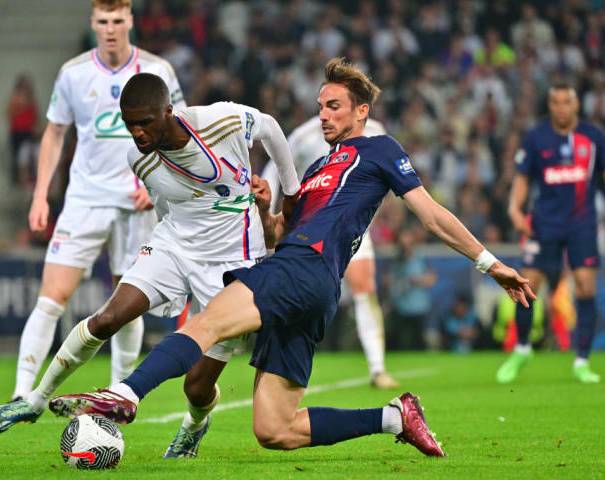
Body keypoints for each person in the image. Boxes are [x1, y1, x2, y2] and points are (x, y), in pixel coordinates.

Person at [44, 59, 535, 457]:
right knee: (274, 429)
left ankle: (125, 395)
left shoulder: (380, 150)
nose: (323, 115)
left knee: (209, 321)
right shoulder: (319, 165)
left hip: (307, 269)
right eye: (321, 106)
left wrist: (489, 262)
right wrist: (263, 205)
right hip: (305, 278)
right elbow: (281, 233)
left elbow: (432, 217)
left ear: (361, 111)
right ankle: (395, 417)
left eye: (335, 107)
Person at [0, 72, 301, 460]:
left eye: (145, 122)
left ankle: (195, 425)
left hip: (231, 260)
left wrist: (291, 193)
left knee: (197, 388)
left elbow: (269, 127)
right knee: (106, 318)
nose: (137, 132)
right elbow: (165, 204)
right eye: (128, 123)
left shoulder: (220, 121)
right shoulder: (138, 157)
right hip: (173, 245)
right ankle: (34, 399)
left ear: (168, 111)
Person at [10, 0, 187, 402]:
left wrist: (159, 182)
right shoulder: (74, 73)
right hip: (84, 200)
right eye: (102, 21)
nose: (110, 29)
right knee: (52, 296)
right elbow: (55, 134)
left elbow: (181, 130)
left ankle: (118, 393)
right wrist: (40, 195)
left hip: (136, 203)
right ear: (93, 24)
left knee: (128, 303)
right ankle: (22, 392)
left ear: (130, 22)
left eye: (117, 20)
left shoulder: (158, 71)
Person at [261, 113, 399, 389]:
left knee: (364, 289)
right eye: (324, 104)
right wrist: (274, 213)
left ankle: (377, 368)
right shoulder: (305, 134)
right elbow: (272, 171)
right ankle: (276, 363)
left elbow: (387, 176)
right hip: (310, 228)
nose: (328, 111)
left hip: (351, 227)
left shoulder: (375, 130)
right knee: (293, 294)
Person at [496, 83, 605, 384]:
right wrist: (515, 210)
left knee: (585, 287)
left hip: (582, 223)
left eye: (566, 102)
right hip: (544, 223)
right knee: (527, 285)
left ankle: (582, 361)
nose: (560, 107)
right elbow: (521, 177)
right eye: (555, 102)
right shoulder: (536, 137)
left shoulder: (594, 138)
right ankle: (522, 349)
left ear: (576, 105)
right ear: (550, 104)